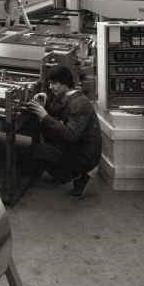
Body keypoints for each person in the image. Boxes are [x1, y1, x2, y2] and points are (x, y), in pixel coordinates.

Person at [26, 65, 102, 198]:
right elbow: (60, 114)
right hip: (81, 148)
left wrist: (45, 116)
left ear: (65, 83)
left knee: (32, 151)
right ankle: (72, 173)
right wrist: (47, 103)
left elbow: (70, 136)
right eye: (50, 83)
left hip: (85, 156)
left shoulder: (79, 104)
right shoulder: (73, 97)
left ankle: (77, 175)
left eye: (54, 83)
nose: (51, 87)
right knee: (46, 127)